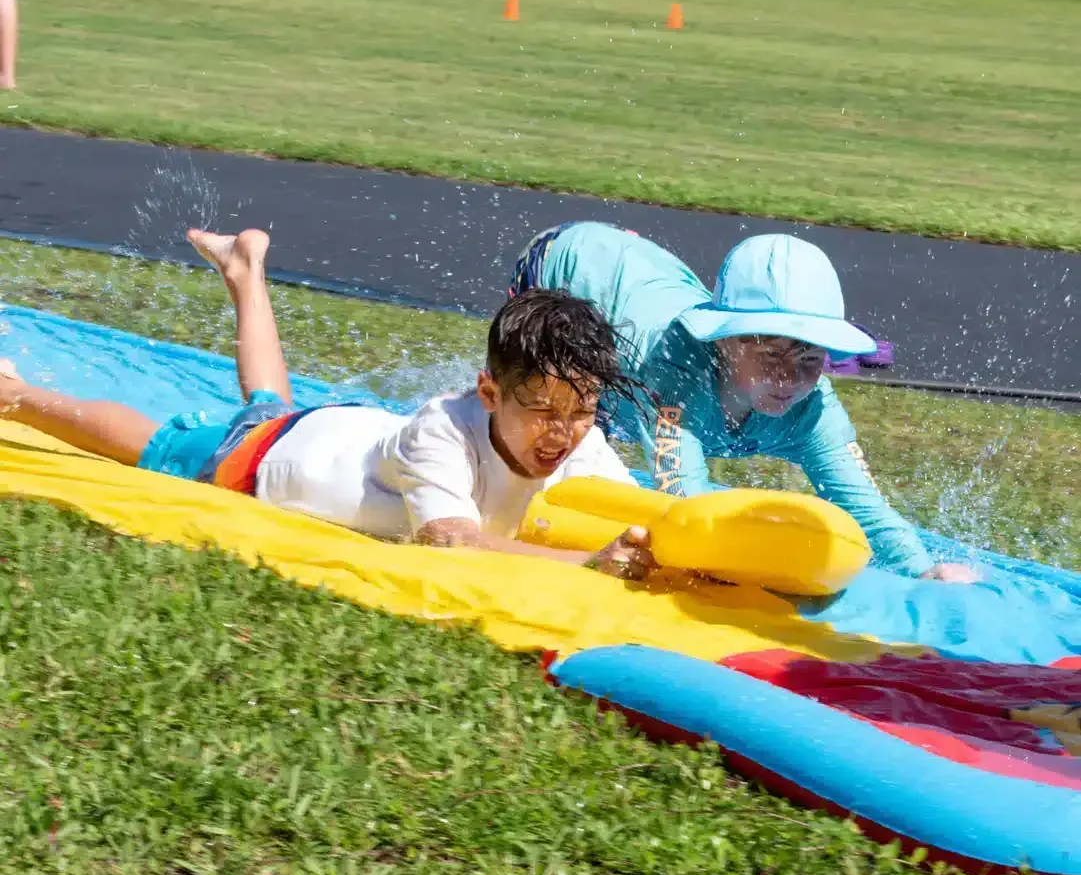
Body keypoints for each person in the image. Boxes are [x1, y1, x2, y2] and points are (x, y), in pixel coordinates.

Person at [0, 228, 655, 579]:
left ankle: (243, 268)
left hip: (335, 435)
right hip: (264, 461)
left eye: (580, 410)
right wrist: (586, 564)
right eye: (542, 410)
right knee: (166, 448)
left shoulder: (579, 433)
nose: (563, 431)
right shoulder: (442, 434)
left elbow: (644, 513)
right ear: (488, 391)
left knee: (264, 403)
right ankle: (17, 394)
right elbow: (449, 542)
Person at [510, 223, 976, 583]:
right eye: (771, 354)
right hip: (567, 264)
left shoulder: (814, 413)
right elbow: (685, 507)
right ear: (724, 342)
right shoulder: (677, 376)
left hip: (645, 275)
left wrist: (921, 570)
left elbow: (864, 508)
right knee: (562, 417)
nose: (790, 379)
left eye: (810, 358)